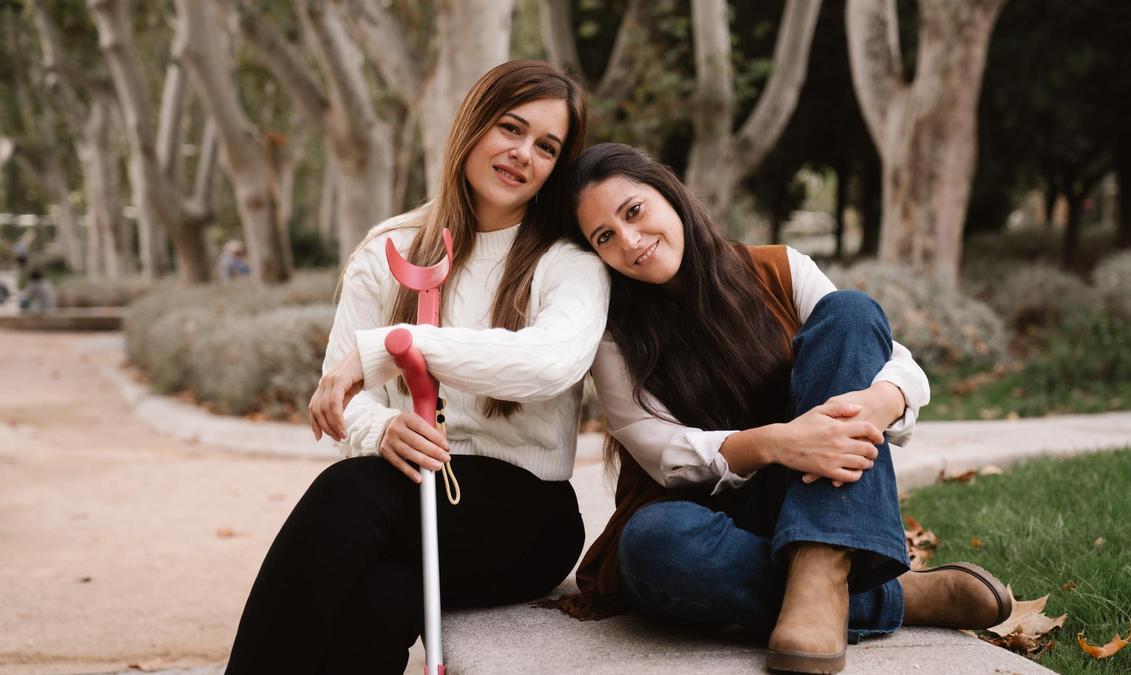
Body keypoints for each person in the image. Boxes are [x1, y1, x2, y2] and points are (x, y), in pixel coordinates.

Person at [559, 143, 1012, 674]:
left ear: (668, 192)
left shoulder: (778, 268)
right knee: (653, 545)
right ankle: (897, 597)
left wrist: (874, 403)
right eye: (605, 237)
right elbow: (661, 450)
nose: (631, 241)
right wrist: (783, 441)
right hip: (711, 514)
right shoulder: (613, 336)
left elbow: (898, 365)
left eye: (634, 211)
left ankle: (820, 568)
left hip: (809, 493)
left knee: (850, 311)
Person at [225, 61, 606, 674]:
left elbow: (552, 362)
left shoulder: (568, 263)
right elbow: (340, 400)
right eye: (510, 128)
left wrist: (400, 345)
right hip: (411, 492)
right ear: (472, 125)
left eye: (546, 147)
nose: (522, 154)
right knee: (381, 599)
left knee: (349, 492)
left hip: (525, 516)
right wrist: (382, 430)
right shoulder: (389, 249)